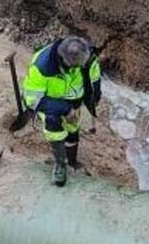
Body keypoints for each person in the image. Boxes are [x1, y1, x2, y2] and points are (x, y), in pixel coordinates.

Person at [22, 35, 102, 187]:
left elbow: (94, 74)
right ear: (67, 62)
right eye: (79, 66)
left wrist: (95, 95)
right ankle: (60, 164)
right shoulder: (42, 67)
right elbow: (32, 99)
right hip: (51, 104)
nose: (83, 67)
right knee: (55, 130)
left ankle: (72, 160)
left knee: (73, 130)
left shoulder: (86, 56)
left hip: (74, 101)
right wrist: (64, 109)